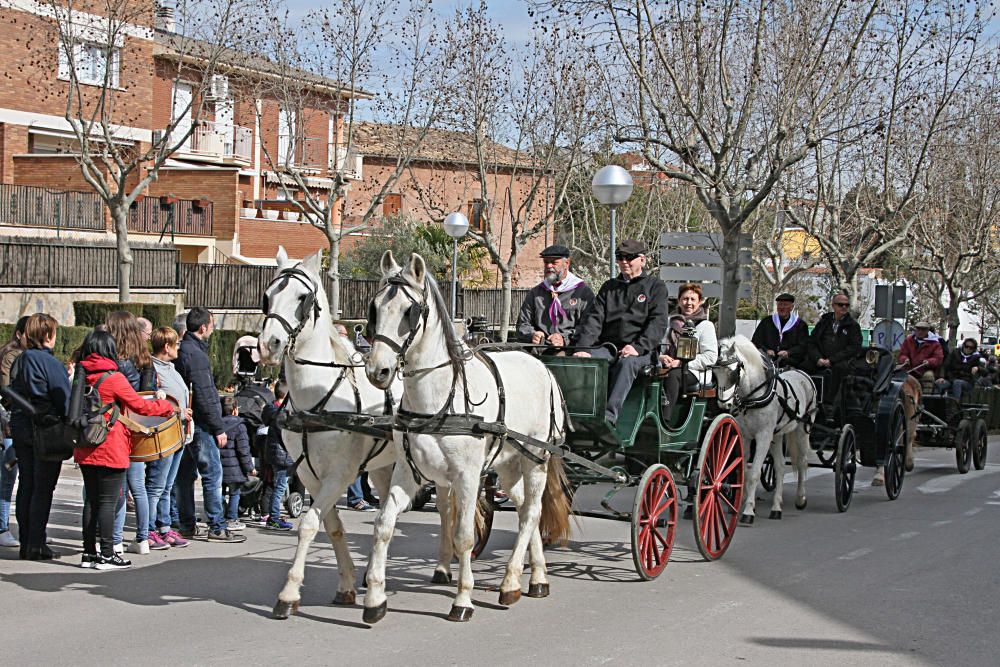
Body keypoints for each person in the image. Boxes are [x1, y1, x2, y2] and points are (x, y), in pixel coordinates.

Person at [74, 330, 176, 570]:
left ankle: (89, 554)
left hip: (85, 445)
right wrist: (166, 406)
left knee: (91, 501)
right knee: (109, 501)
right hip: (110, 446)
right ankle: (108, 554)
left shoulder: (80, 375)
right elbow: (140, 405)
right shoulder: (114, 378)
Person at [573, 239, 670, 424]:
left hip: (642, 352)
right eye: (620, 257)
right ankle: (579, 413)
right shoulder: (609, 287)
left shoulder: (656, 287)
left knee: (627, 364)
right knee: (586, 361)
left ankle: (608, 418)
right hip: (609, 347)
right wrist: (583, 348)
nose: (624, 261)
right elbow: (594, 319)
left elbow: (658, 323)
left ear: (642, 260)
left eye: (630, 257)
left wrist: (637, 347)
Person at [173, 307, 245, 543]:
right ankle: (216, 525)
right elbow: (205, 394)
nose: (213, 329)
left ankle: (186, 523)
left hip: (184, 422)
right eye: (212, 325)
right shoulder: (196, 355)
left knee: (184, 476)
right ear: (203, 327)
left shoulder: (184, 351)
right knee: (212, 475)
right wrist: (218, 427)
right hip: (201, 424)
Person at [8, 313, 70, 560]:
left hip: (22, 427)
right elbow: (63, 400)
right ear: (47, 335)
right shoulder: (48, 363)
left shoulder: (20, 360)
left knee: (27, 485)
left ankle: (27, 541)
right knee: (42, 489)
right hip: (46, 430)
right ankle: (36, 542)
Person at [106, 311, 156, 555]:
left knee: (118, 488)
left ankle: (115, 539)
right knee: (138, 485)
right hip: (137, 423)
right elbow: (148, 391)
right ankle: (143, 538)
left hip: (117, 423)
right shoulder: (144, 358)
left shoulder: (114, 359)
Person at [147, 326, 190, 549]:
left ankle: (164, 527)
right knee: (156, 486)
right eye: (175, 344)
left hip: (180, 434)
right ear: (166, 347)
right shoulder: (153, 370)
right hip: (164, 435)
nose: (178, 348)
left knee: (167, 485)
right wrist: (178, 412)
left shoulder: (171, 368)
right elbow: (152, 401)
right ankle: (148, 529)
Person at [516, 244, 595, 350]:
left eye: (554, 262)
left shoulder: (583, 293)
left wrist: (564, 338)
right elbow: (522, 325)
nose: (549, 266)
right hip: (538, 350)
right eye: (546, 262)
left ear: (566, 263)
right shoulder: (536, 293)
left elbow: (589, 327)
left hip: (570, 352)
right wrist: (532, 334)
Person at [658, 283, 718, 415]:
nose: (688, 303)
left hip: (694, 372)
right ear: (679, 300)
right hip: (667, 366)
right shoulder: (668, 322)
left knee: (673, 376)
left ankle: (664, 420)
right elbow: (659, 348)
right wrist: (661, 357)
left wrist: (682, 363)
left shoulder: (705, 325)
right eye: (685, 299)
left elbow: (710, 357)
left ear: (699, 302)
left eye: (692, 299)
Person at [806, 294, 862, 412]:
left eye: (846, 305)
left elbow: (854, 348)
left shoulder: (853, 326)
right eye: (840, 305)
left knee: (837, 371)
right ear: (833, 306)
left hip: (841, 362)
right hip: (820, 360)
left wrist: (831, 360)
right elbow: (811, 342)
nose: (844, 307)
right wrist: (818, 358)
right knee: (802, 367)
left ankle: (829, 406)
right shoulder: (824, 322)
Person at [0, 315, 28, 549]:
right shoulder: (11, 356)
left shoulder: (23, 355)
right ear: (19, 334)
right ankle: (2, 527)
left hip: (16, 420)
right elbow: (7, 390)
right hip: (9, 422)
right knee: (8, 476)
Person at [262, 382, 294, 531]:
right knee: (279, 487)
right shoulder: (282, 414)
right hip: (283, 456)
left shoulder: (270, 409)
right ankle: (273, 518)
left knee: (277, 486)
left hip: (274, 453)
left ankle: (273, 516)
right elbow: (288, 437)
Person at [220, 395, 254, 531]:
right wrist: (250, 467)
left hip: (220, 466)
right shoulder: (240, 426)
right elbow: (243, 450)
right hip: (235, 468)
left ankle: (220, 516)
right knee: (235, 493)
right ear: (235, 409)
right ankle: (232, 518)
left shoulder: (217, 425)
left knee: (220, 493)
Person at [751, 293, 810, 369]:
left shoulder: (800, 325)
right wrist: (766, 350)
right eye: (780, 305)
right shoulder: (767, 322)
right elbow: (756, 340)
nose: (782, 307)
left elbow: (803, 345)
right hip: (767, 360)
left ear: (791, 307)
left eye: (785, 305)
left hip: (790, 361)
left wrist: (788, 352)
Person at [899, 322, 944, 393]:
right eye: (918, 329)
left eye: (923, 330)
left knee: (928, 376)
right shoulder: (908, 340)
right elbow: (902, 354)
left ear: (927, 331)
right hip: (909, 368)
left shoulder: (935, 343)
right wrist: (905, 359)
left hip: (925, 369)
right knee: (898, 375)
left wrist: (929, 362)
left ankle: (926, 398)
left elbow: (938, 358)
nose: (920, 332)